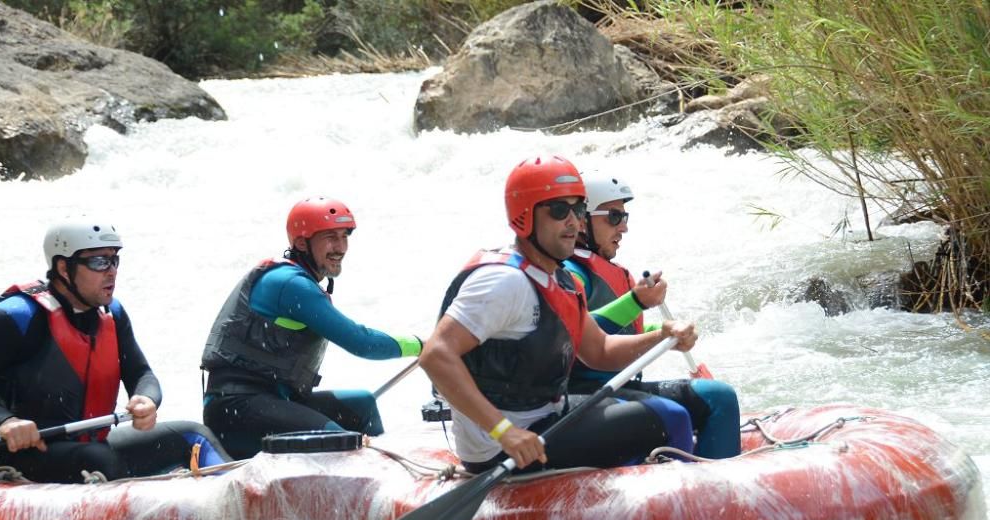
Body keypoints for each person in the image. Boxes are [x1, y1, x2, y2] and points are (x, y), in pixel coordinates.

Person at [419, 155, 699, 473]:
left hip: (546, 419)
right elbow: (436, 355)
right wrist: (504, 431)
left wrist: (662, 338)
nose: (574, 222)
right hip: (502, 447)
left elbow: (599, 352)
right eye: (558, 210)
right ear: (524, 216)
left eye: (578, 209)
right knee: (670, 418)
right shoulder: (504, 281)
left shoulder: (560, 278)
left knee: (671, 410)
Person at [0, 223, 230, 484]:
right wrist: (6, 421)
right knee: (98, 458)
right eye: (99, 262)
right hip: (16, 455)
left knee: (194, 436)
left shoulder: (112, 315)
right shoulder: (17, 317)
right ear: (63, 268)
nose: (112, 272)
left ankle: (243, 502)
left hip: (92, 446)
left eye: (114, 260)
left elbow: (141, 373)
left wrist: (146, 398)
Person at [201, 196, 424, 459]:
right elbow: (361, 342)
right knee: (342, 443)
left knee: (362, 403)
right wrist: (424, 346)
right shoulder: (289, 284)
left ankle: (386, 483)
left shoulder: (300, 280)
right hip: (235, 409)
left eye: (344, 236)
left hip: (275, 400)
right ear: (301, 243)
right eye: (330, 237)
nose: (340, 247)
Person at [563, 170, 741, 459]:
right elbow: (580, 336)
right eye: (613, 217)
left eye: (624, 217)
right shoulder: (569, 275)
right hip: (583, 395)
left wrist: (667, 334)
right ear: (582, 219)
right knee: (672, 415)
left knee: (719, 396)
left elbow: (623, 335)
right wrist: (635, 302)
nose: (623, 228)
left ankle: (722, 493)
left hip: (619, 388)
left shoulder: (614, 273)